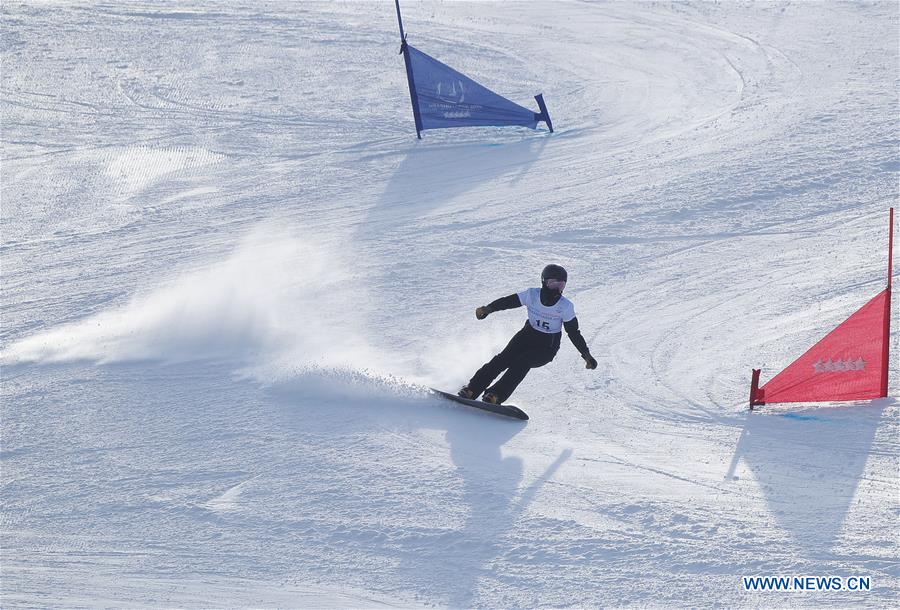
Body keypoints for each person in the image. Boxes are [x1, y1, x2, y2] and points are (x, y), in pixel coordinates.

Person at [459, 264, 598, 405]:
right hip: (527, 336)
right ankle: (471, 390)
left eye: (561, 285)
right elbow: (508, 301)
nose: (557, 289)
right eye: (553, 284)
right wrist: (488, 309)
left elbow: (573, 332)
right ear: (544, 282)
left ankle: (495, 395)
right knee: (503, 359)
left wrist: (586, 355)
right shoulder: (532, 295)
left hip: (547, 347)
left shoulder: (565, 306)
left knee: (522, 362)